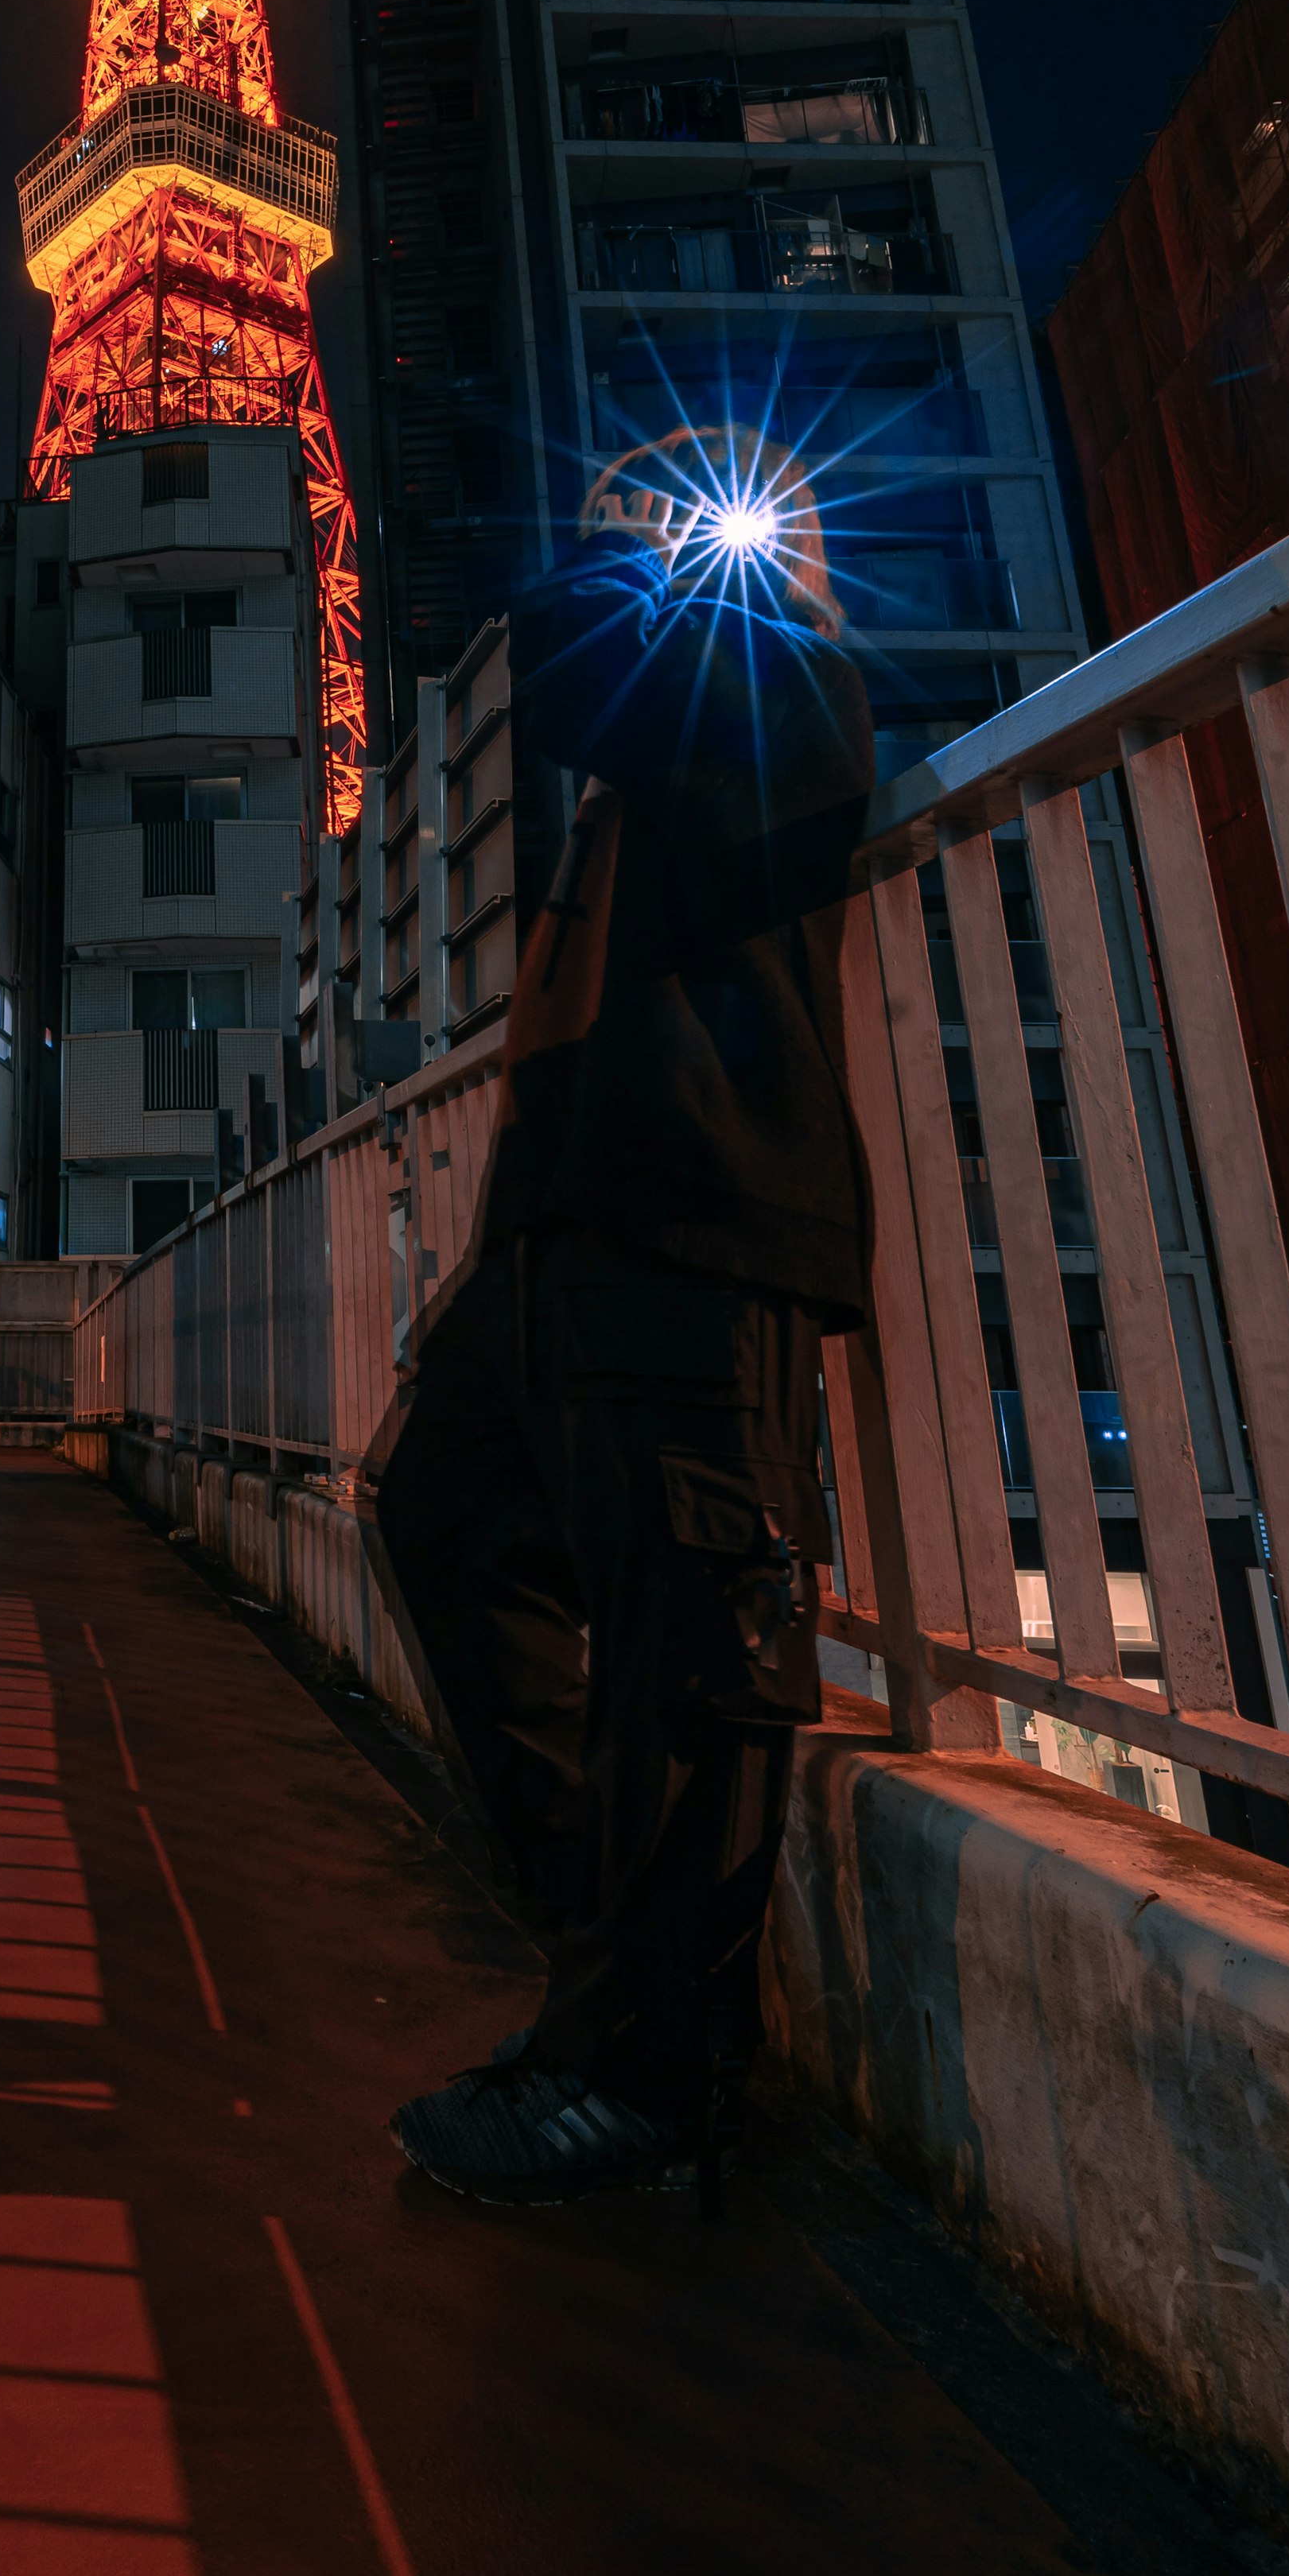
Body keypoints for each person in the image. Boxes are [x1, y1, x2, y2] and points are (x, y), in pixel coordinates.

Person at [371, 427, 875, 2210]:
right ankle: (619, 1954)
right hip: (567, 1235)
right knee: (431, 1505)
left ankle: (642, 2086)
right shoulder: (667, 739)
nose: (694, 528)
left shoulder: (789, 682)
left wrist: (625, 541)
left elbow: (585, 668)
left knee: (686, 1648)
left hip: (695, 1232)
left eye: (726, 515)